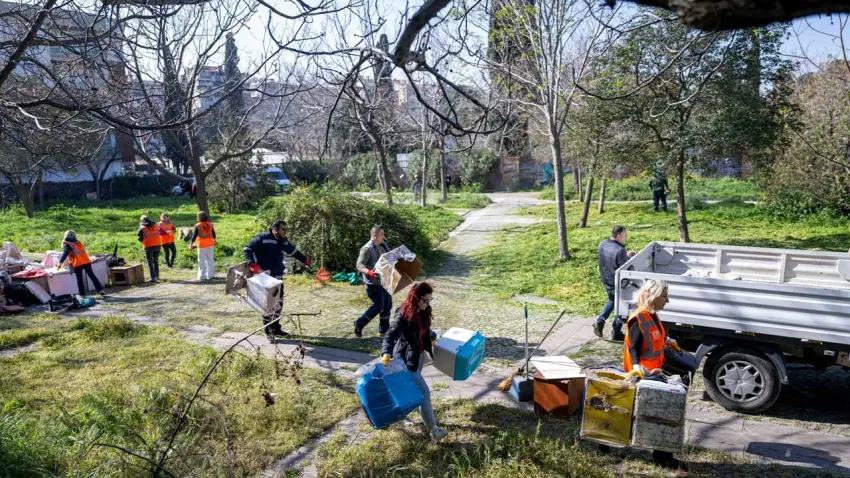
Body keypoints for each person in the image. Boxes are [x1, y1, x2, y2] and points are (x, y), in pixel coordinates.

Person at [623, 279, 690, 469]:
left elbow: (652, 337)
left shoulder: (652, 316)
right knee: (662, 412)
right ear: (653, 297)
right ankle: (663, 457)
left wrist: (667, 340)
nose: (667, 301)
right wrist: (636, 367)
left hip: (655, 373)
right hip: (644, 375)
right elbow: (633, 346)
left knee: (647, 413)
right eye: (665, 296)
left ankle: (607, 440)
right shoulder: (638, 318)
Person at [380, 282, 448, 440]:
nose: (428, 303)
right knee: (424, 393)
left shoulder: (423, 311)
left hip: (418, 358)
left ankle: (393, 417)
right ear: (416, 298)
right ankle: (434, 431)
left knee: (410, 393)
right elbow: (390, 335)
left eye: (430, 300)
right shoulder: (403, 314)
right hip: (405, 362)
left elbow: (423, 330)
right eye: (426, 300)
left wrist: (432, 336)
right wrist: (386, 353)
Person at [243, 220, 312, 342]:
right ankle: (268, 331)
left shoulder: (283, 240)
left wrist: (304, 260)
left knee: (278, 303)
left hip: (278, 276)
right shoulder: (262, 238)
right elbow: (247, 248)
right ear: (275, 229)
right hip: (265, 276)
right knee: (268, 304)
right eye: (283, 229)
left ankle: (276, 328)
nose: (285, 231)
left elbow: (292, 250)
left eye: (286, 229)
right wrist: (252, 264)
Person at [593, 225, 634, 340]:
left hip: (606, 279)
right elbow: (624, 268)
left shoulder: (602, 244)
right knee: (622, 306)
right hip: (616, 283)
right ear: (619, 236)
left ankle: (600, 321)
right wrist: (629, 258)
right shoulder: (620, 250)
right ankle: (615, 333)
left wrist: (626, 256)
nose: (625, 238)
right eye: (625, 236)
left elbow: (611, 260)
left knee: (612, 300)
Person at [354, 225, 391, 338]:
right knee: (378, 306)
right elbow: (359, 265)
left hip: (384, 281)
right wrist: (368, 272)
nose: (384, 237)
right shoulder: (366, 249)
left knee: (387, 304)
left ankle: (383, 331)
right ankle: (359, 323)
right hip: (373, 283)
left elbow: (390, 256)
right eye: (381, 235)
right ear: (374, 236)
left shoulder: (383, 244)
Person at [58, 230, 105, 297]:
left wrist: (60, 263)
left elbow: (65, 253)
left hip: (78, 263)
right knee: (92, 276)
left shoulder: (67, 244)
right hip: (86, 261)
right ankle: (100, 290)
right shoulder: (78, 242)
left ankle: (82, 294)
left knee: (79, 279)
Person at [189, 211, 216, 281]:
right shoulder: (210, 224)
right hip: (210, 243)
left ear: (199, 217)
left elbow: (194, 236)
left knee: (201, 261)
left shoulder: (198, 225)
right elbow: (213, 234)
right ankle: (211, 275)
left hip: (202, 245)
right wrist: (214, 241)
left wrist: (191, 244)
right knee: (210, 259)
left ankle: (202, 276)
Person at [138, 215, 162, 283]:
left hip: (148, 246)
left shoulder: (142, 228)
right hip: (158, 244)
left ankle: (153, 278)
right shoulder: (155, 225)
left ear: (142, 220)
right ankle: (157, 276)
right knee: (156, 261)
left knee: (150, 262)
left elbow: (139, 238)